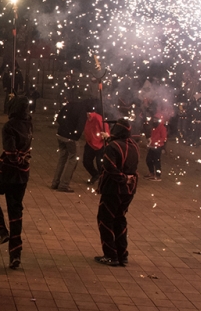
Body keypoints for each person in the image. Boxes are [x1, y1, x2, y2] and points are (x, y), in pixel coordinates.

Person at [0, 96, 33, 269]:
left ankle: (1, 231)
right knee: (15, 212)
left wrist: (17, 159)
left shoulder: (9, 126)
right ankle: (15, 255)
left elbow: (10, 153)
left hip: (7, 173)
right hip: (23, 174)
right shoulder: (28, 123)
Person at [95, 119, 139, 267]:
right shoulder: (134, 145)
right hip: (129, 191)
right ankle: (122, 254)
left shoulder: (113, 147)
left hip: (113, 189)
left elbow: (109, 167)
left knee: (105, 220)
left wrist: (122, 179)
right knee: (120, 219)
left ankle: (110, 255)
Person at [51, 100, 88, 193]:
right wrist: (75, 135)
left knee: (62, 158)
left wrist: (64, 127)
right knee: (73, 159)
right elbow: (80, 126)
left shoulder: (68, 105)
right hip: (70, 138)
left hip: (60, 134)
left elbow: (59, 118)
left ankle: (55, 182)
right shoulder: (82, 110)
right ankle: (63, 185)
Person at [83, 103, 109, 185]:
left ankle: (102, 180)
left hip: (100, 145)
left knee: (100, 164)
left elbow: (105, 129)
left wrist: (106, 136)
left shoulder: (98, 118)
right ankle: (95, 175)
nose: (87, 115)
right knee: (86, 162)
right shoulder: (86, 118)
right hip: (90, 144)